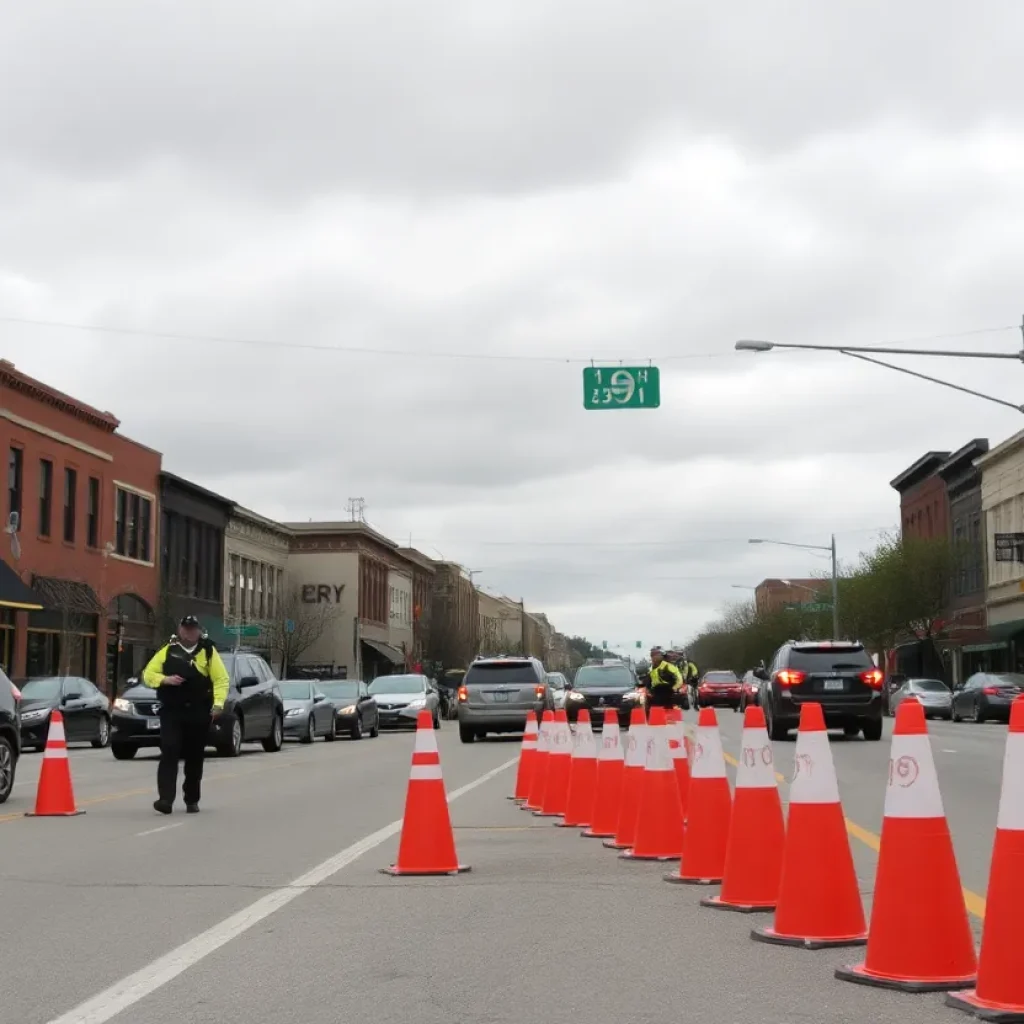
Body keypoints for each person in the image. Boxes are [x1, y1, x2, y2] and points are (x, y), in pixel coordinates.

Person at [142, 615, 229, 815]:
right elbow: (148, 674)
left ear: (199, 631)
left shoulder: (208, 652)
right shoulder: (167, 650)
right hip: (172, 711)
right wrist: (165, 680)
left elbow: (221, 679)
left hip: (198, 711)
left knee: (194, 756)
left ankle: (191, 798)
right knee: (169, 750)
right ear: (180, 630)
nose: (189, 632)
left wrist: (218, 704)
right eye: (185, 628)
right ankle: (165, 799)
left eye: (193, 629)